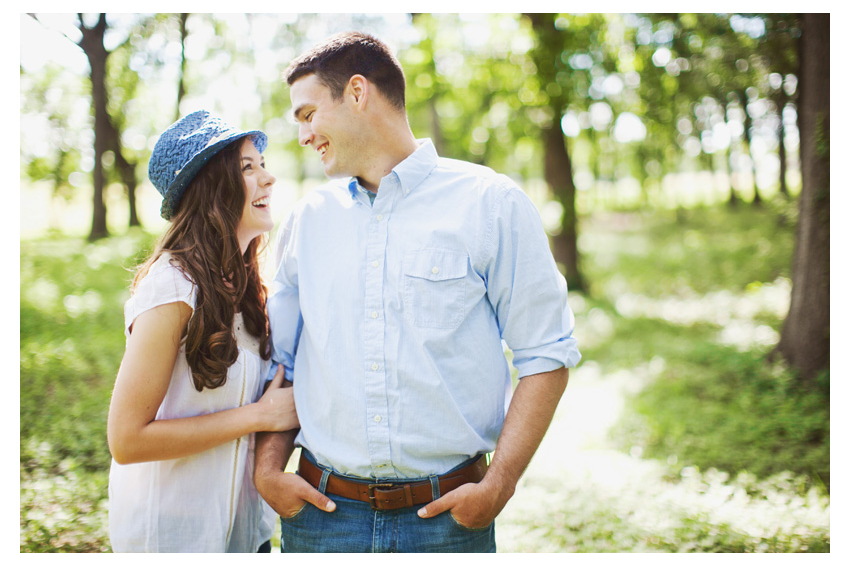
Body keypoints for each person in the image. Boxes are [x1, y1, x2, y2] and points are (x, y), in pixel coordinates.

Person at [254, 32, 581, 553]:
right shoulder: (308, 222)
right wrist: (268, 470)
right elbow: (284, 363)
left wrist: (499, 485)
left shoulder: (490, 204)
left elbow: (546, 354)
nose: (303, 135)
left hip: (448, 523)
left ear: (357, 93)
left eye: (308, 114)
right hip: (323, 518)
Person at [107, 110, 297, 552]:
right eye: (248, 168)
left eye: (263, 163)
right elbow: (127, 439)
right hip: (172, 540)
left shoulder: (253, 287)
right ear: (212, 188)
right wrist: (259, 416)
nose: (268, 178)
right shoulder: (172, 286)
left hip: (246, 537)